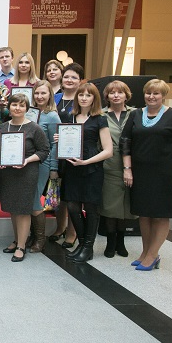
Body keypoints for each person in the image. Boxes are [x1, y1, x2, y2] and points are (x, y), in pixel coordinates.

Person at [121, 79, 172, 271]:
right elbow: (125, 143)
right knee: (144, 214)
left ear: (163, 95)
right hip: (140, 172)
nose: (151, 96)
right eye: (148, 93)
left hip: (166, 173)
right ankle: (145, 252)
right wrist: (127, 169)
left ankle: (153, 255)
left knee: (161, 214)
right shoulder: (135, 114)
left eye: (156, 93)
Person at [59, 83, 113, 263]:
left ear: (94, 98)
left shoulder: (100, 119)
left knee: (91, 208)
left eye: (88, 95)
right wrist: (59, 138)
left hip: (91, 168)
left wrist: (86, 162)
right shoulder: (70, 116)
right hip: (72, 167)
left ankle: (88, 247)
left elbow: (108, 150)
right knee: (72, 206)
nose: (83, 98)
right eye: (81, 95)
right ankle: (82, 244)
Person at [0, 93, 50, 262]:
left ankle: (21, 246)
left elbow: (44, 150)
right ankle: (17, 239)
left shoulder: (34, 128)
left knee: (23, 209)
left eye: (21, 105)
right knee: (13, 208)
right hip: (8, 173)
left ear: (27, 108)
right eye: (14, 105)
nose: (17, 108)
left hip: (27, 172)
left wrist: (27, 160)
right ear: (9, 107)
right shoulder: (3, 127)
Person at [48, 62, 84, 247]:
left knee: (72, 196)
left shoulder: (83, 99)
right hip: (56, 153)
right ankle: (60, 227)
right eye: (67, 76)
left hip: (75, 154)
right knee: (58, 193)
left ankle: (72, 232)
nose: (69, 80)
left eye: (74, 77)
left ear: (80, 81)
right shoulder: (55, 98)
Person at [98, 80, 134, 258]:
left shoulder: (135, 114)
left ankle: (121, 241)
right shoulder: (100, 114)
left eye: (120, 92)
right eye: (112, 92)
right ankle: (111, 242)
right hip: (109, 165)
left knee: (126, 206)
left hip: (131, 165)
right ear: (107, 96)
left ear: (126, 95)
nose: (116, 95)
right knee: (110, 206)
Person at [28, 80, 60, 253]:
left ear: (50, 95)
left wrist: (54, 168)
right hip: (27, 162)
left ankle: (40, 239)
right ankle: (32, 236)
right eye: (37, 93)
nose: (40, 96)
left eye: (43, 93)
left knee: (34, 199)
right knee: (28, 198)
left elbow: (55, 144)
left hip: (43, 162)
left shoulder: (52, 116)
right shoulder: (29, 112)